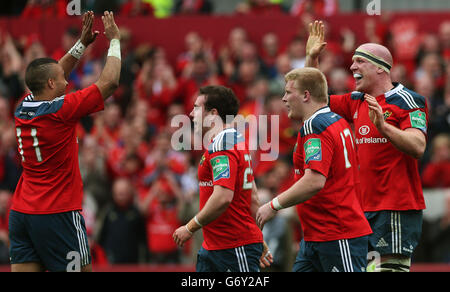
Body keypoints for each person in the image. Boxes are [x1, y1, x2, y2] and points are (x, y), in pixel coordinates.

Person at [306, 21, 428, 272]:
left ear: (380, 68)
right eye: (352, 62)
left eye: (360, 61)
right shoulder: (356, 101)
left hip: (395, 207)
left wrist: (384, 128)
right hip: (361, 209)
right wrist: (312, 59)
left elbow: (418, 146)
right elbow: (314, 103)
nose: (352, 67)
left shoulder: (408, 101)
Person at [9, 11, 122, 272]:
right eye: (61, 79)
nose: (66, 79)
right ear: (51, 84)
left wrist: (81, 44)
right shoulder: (62, 110)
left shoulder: (23, 107)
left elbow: (52, 73)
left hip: (22, 213)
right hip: (58, 213)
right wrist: (115, 41)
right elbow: (110, 82)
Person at [256, 67, 372, 272]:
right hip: (317, 235)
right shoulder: (337, 120)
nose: (284, 99)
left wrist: (273, 205)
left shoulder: (315, 126)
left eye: (288, 92)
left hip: (337, 233)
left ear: (305, 95)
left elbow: (314, 180)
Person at [172, 85, 272, 272]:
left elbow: (223, 197)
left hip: (232, 249)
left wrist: (189, 227)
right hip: (216, 247)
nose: (191, 114)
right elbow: (252, 197)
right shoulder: (234, 140)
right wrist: (258, 238)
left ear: (213, 113)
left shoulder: (222, 145)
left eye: (196, 108)